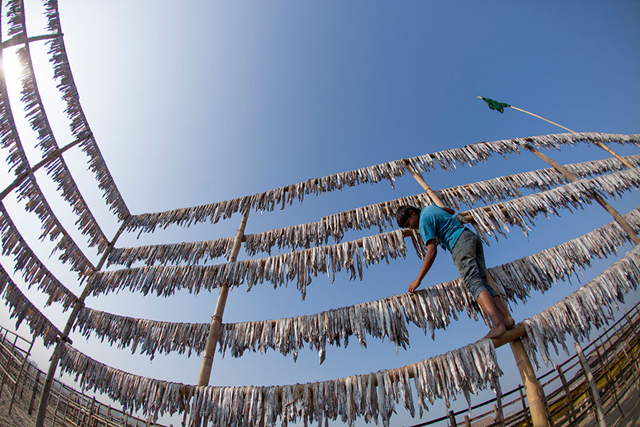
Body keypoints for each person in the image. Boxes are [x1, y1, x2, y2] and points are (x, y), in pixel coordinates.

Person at [395, 205, 514, 338]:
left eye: (409, 223)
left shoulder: (423, 222)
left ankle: (497, 324)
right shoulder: (430, 208)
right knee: (482, 282)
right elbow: (451, 211)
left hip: (459, 244)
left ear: (412, 213)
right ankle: (506, 319)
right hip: (470, 237)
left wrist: (419, 279)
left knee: (474, 283)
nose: (411, 228)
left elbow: (432, 250)